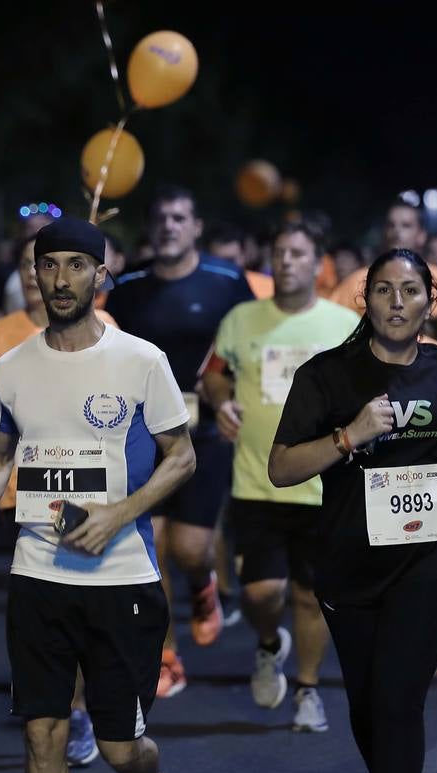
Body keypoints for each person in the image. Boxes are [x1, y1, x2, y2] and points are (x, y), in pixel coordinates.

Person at [0, 218, 193, 773]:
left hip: (122, 578)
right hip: (37, 575)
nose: (59, 278)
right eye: (48, 265)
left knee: (122, 748)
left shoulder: (141, 361)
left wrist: (120, 514)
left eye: (74, 266)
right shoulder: (12, 367)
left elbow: (183, 456)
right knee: (42, 736)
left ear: (100, 275)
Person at [270, 248, 437, 773]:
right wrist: (349, 437)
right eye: (384, 290)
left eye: (411, 290)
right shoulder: (327, 376)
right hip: (348, 561)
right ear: (364, 301)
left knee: (398, 698)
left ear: (431, 301)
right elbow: (281, 468)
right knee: (369, 706)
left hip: (434, 559)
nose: (398, 302)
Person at [202, 221, 360, 730]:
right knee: (259, 594)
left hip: (323, 484)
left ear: (318, 264)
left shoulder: (343, 324)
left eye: (298, 253)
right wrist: (222, 403)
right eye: (279, 252)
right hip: (258, 480)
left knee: (310, 595)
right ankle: (270, 644)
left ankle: (308, 690)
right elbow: (213, 374)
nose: (287, 261)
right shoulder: (242, 318)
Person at [104, 186, 254, 698]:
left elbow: (249, 345)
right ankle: (167, 655)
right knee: (153, 549)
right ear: (152, 227)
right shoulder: (126, 287)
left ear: (195, 227)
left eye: (180, 217)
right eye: (162, 217)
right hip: (143, 435)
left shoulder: (226, 281)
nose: (170, 225)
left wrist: (236, 396)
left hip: (206, 432)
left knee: (191, 549)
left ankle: (204, 585)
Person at [327, 202, 437, 345]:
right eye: (391, 225)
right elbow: (333, 327)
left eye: (406, 225)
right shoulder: (356, 281)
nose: (396, 231)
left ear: (421, 235)